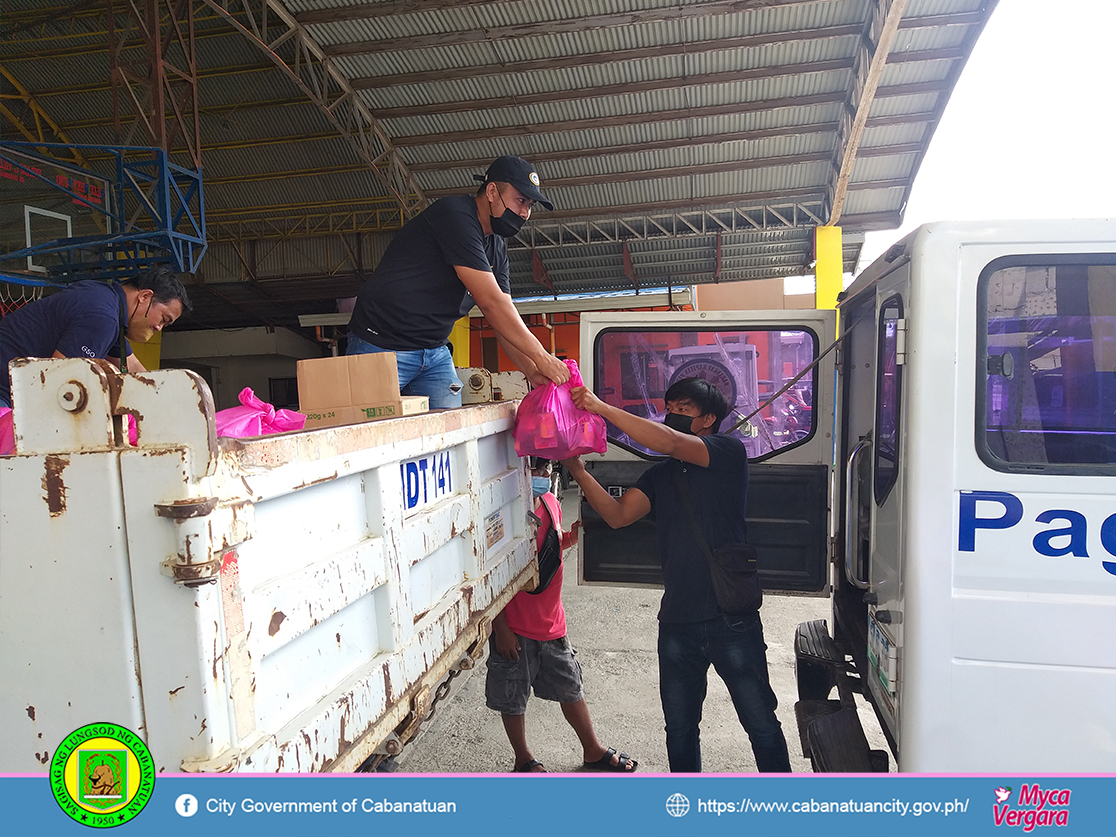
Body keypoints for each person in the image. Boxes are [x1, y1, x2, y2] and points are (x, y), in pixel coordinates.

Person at [562, 378, 792, 773]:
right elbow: (618, 516)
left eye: (683, 409)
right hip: (678, 622)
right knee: (681, 729)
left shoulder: (728, 454)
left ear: (708, 420)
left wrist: (600, 407)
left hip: (729, 618)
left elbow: (668, 441)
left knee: (760, 723)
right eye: (669, 406)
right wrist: (579, 472)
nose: (672, 415)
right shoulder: (661, 475)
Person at [346, 155, 570, 408]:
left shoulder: (496, 249)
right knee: (371, 435)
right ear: (492, 191)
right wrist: (542, 356)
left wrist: (531, 371)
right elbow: (491, 304)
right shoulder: (454, 215)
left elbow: (502, 321)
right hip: (382, 344)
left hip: (433, 351)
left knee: (447, 439)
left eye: (530, 205)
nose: (525, 213)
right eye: (521, 201)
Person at [485, 459, 638, 774]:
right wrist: (500, 628)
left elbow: (552, 547)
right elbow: (491, 576)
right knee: (513, 696)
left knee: (571, 687)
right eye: (536, 471)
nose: (543, 477)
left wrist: (572, 536)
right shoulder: (504, 516)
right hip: (515, 628)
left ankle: (592, 749)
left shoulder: (551, 502)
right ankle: (523, 758)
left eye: (546, 471)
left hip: (552, 624)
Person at [0, 266, 191, 409]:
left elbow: (133, 368)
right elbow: (57, 381)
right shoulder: (102, 318)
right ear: (145, 296)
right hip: (5, 390)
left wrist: (164, 400)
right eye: (164, 319)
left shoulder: (105, 300)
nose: (159, 328)